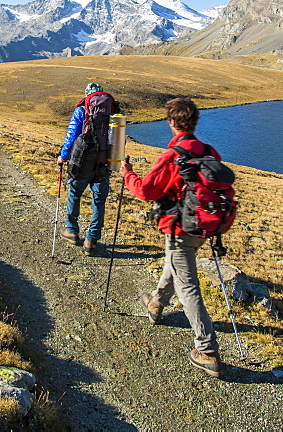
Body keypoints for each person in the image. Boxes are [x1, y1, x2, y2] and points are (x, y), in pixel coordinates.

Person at [120, 97, 222, 377]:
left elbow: (146, 191)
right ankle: (156, 302)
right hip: (204, 226)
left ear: (172, 122)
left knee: (187, 285)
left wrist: (128, 174)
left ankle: (207, 348)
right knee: (175, 264)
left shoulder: (173, 155)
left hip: (181, 227)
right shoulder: (208, 150)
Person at [57, 82, 117, 256]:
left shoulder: (82, 110)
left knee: (75, 193)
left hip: (83, 161)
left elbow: (71, 135)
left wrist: (63, 156)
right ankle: (91, 240)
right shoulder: (112, 110)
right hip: (104, 162)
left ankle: (72, 231)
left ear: (87, 95)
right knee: (99, 200)